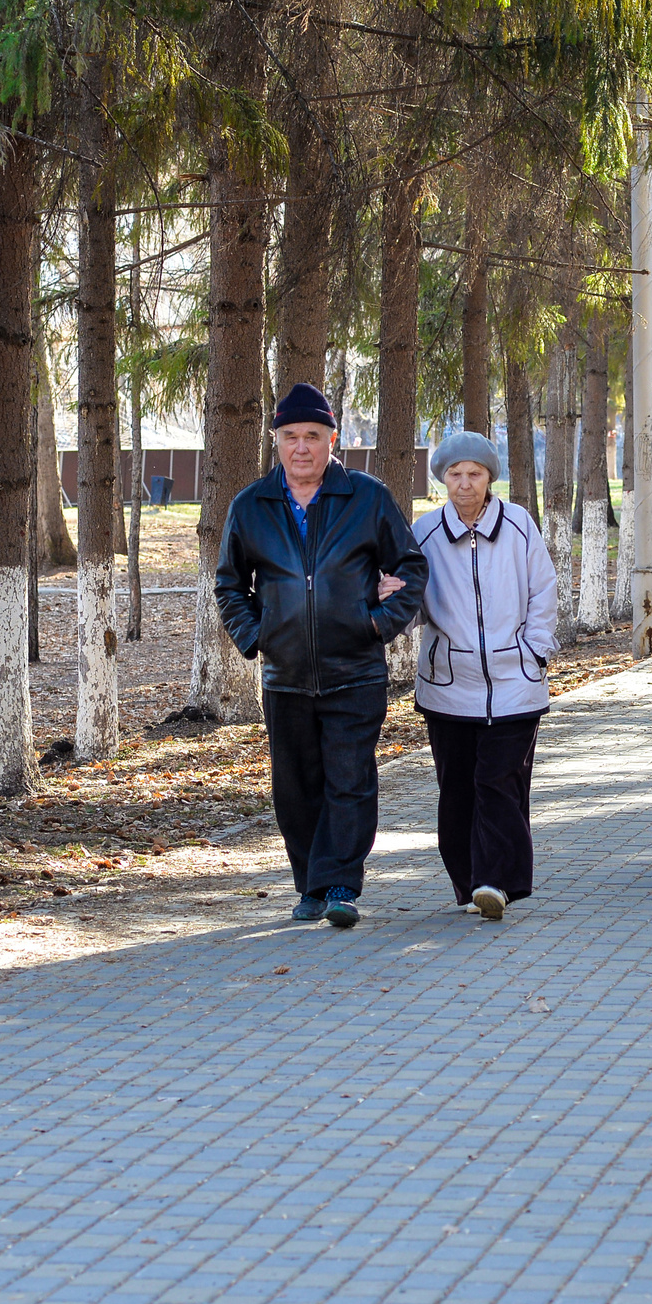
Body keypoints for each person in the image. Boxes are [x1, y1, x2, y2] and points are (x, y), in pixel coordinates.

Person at [213, 385, 429, 929]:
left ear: (333, 440)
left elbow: (411, 570)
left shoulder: (367, 498)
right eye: (290, 437)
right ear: (277, 441)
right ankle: (309, 883)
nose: (301, 447)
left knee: (349, 778)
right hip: (284, 674)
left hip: (353, 669)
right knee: (295, 784)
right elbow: (229, 583)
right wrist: (256, 635)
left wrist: (375, 625)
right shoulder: (251, 505)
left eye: (313, 436)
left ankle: (339, 885)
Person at [411, 431, 558, 923]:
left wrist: (535, 651)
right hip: (449, 685)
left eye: (474, 474)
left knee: (500, 782)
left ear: (490, 478)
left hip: (515, 682)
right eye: (455, 475)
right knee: (456, 790)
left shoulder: (518, 525)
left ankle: (498, 882)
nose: (465, 484)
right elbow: (408, 596)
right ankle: (469, 881)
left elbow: (543, 590)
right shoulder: (425, 533)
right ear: (442, 481)